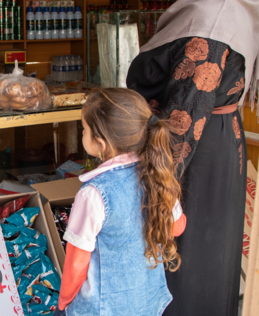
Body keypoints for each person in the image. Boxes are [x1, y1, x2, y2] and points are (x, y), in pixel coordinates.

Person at [126, 0, 259, 316]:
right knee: (212, 254)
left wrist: (151, 190)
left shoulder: (212, 21)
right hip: (219, 144)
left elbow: (183, 120)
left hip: (192, 160)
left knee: (187, 260)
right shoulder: (221, 6)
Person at [56, 88, 185, 316]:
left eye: (84, 129)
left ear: (101, 143)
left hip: (103, 308)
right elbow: (178, 226)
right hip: (147, 301)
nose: (82, 134)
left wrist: (64, 302)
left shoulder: (93, 194)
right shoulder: (159, 175)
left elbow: (76, 264)